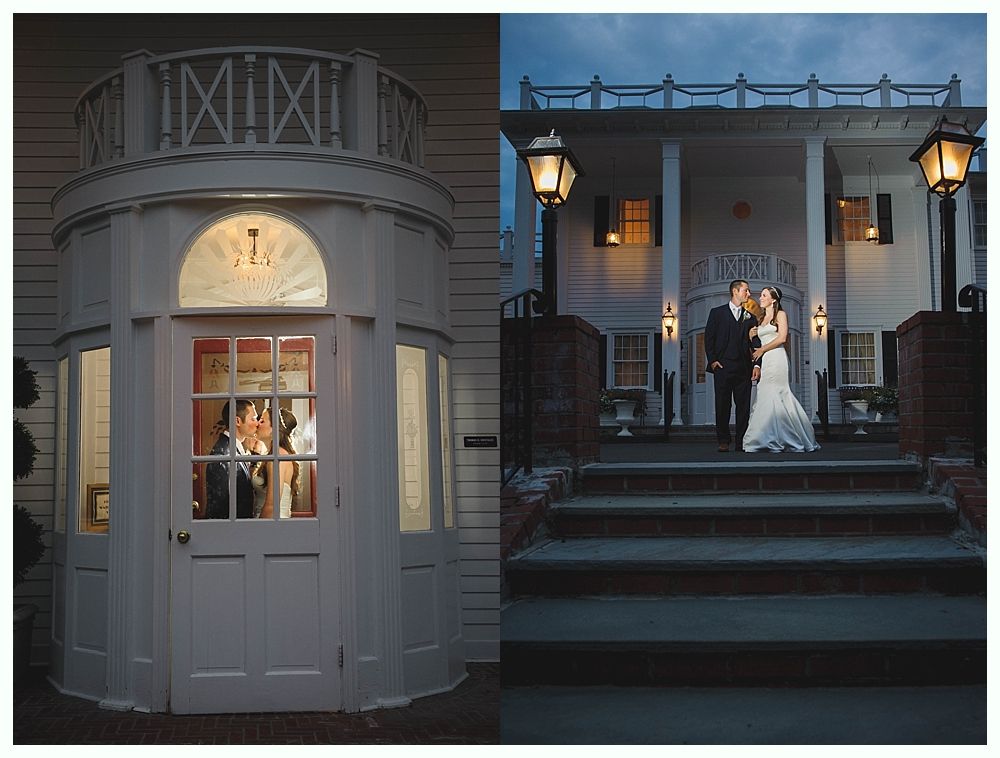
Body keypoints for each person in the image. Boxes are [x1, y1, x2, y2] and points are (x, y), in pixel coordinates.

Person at [742, 286, 821, 453]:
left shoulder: (781, 315)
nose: (760, 298)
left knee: (777, 393)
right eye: (761, 295)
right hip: (765, 360)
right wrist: (751, 336)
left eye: (764, 295)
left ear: (773, 299)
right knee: (765, 394)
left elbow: (782, 338)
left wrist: (762, 350)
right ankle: (765, 437)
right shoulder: (761, 318)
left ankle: (788, 437)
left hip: (777, 358)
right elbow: (757, 342)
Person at [704, 279, 761, 452]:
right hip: (722, 368)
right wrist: (713, 361)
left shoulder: (750, 317)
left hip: (743, 369)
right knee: (722, 406)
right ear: (735, 291)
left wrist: (757, 365)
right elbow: (709, 338)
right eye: (746, 290)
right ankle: (723, 440)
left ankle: (741, 442)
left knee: (743, 408)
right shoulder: (717, 313)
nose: (749, 293)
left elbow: (756, 343)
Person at [205, 399, 259, 519]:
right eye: (253, 419)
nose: (257, 423)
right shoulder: (223, 454)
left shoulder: (233, 448)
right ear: (237, 421)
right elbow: (220, 506)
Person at [257, 407, 300, 520]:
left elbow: (271, 506)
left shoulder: (278, 456)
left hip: (270, 523)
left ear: (274, 429)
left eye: (262, 421)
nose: (257, 423)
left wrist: (256, 528)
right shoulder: (273, 454)